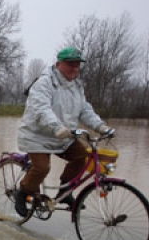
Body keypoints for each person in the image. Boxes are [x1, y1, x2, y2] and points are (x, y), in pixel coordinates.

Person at [15, 47, 113, 217]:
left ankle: (64, 192)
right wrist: (57, 127)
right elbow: (41, 109)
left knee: (83, 154)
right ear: (58, 64)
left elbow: (85, 110)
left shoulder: (76, 86)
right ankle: (22, 193)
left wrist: (101, 127)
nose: (74, 69)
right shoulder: (44, 83)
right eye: (70, 65)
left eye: (77, 66)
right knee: (42, 168)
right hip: (37, 136)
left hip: (64, 136)